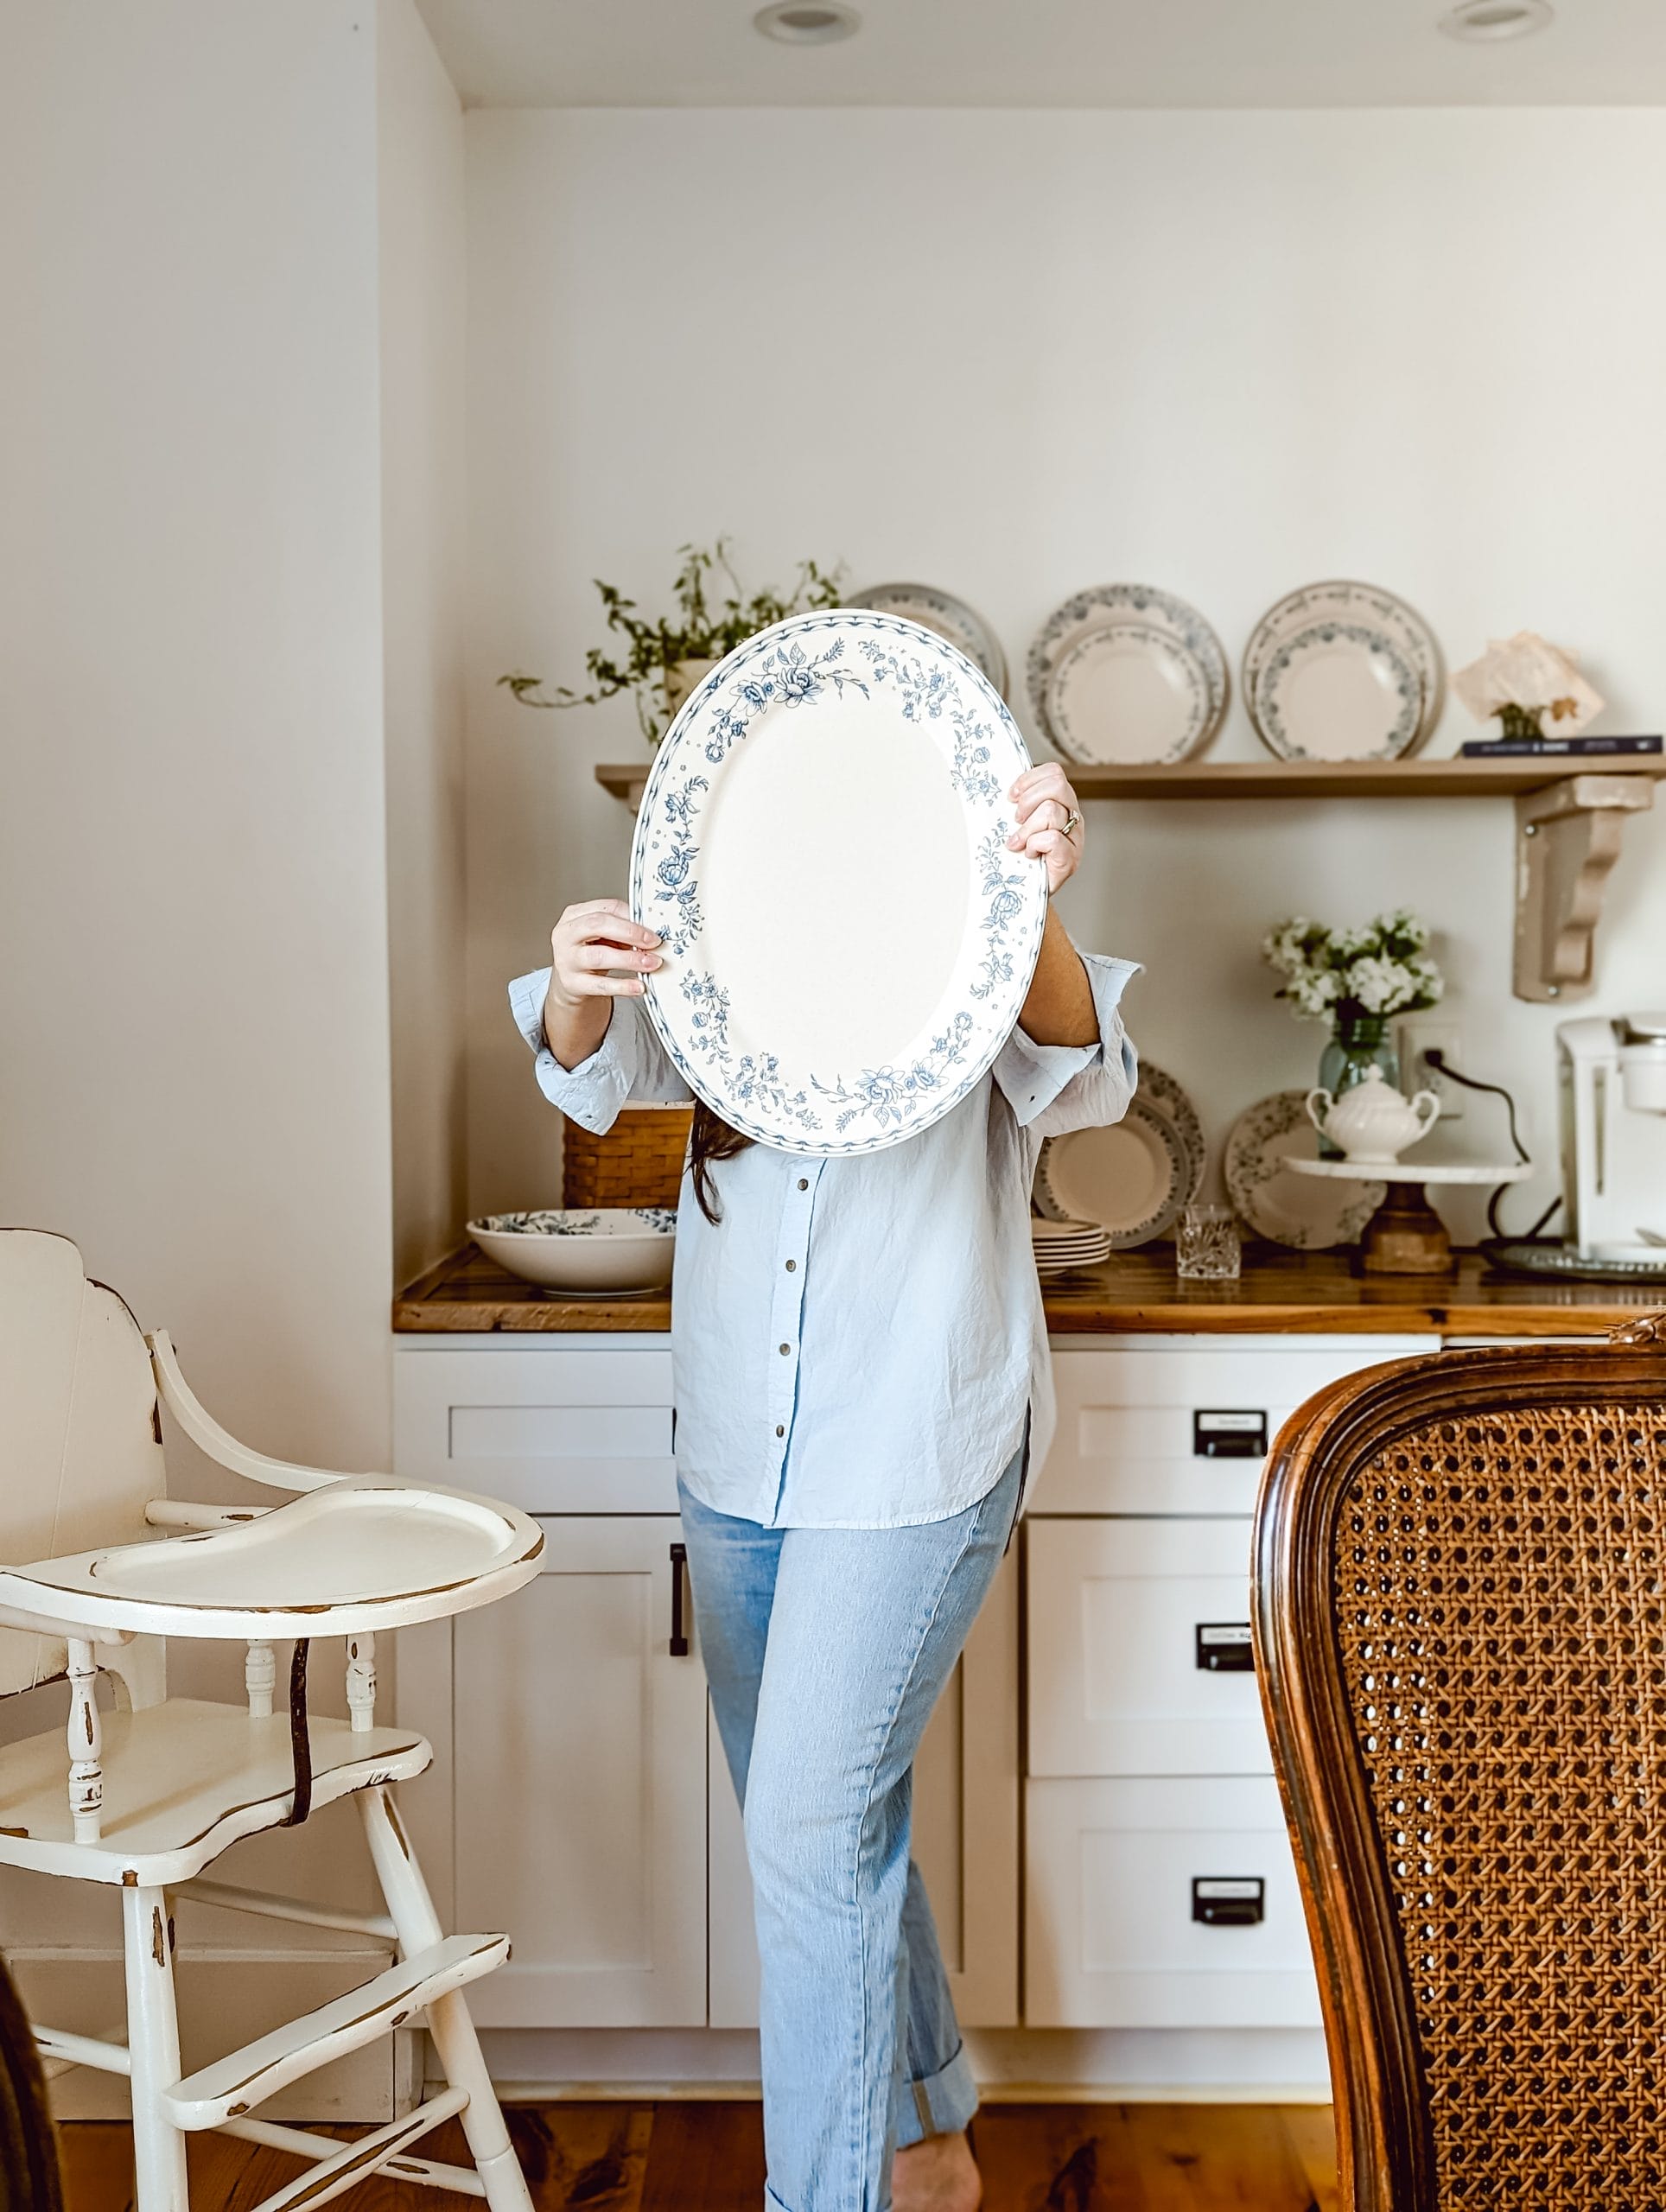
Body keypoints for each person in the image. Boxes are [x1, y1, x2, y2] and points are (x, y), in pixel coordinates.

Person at [510, 760, 1137, 2212]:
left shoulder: (973, 951)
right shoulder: (728, 959)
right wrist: (576, 978)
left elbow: (1081, 1070)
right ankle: (922, 2130)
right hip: (738, 1443)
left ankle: (832, 2195)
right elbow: (593, 1077)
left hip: (915, 1444)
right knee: (821, 1819)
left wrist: (1028, 900)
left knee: (807, 1827)